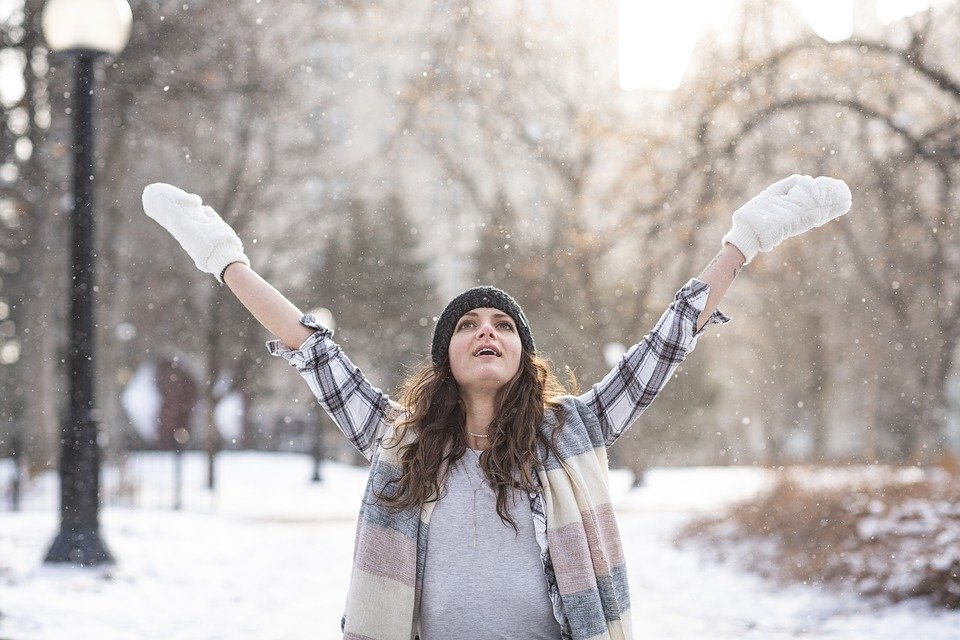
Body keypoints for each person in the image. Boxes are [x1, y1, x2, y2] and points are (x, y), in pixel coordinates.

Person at [141, 174, 852, 640]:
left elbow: (665, 344)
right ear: (446, 357)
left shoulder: (574, 430)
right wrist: (223, 256)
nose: (487, 330)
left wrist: (743, 240)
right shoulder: (401, 440)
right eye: (469, 324)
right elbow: (310, 347)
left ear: (523, 356)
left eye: (504, 325)